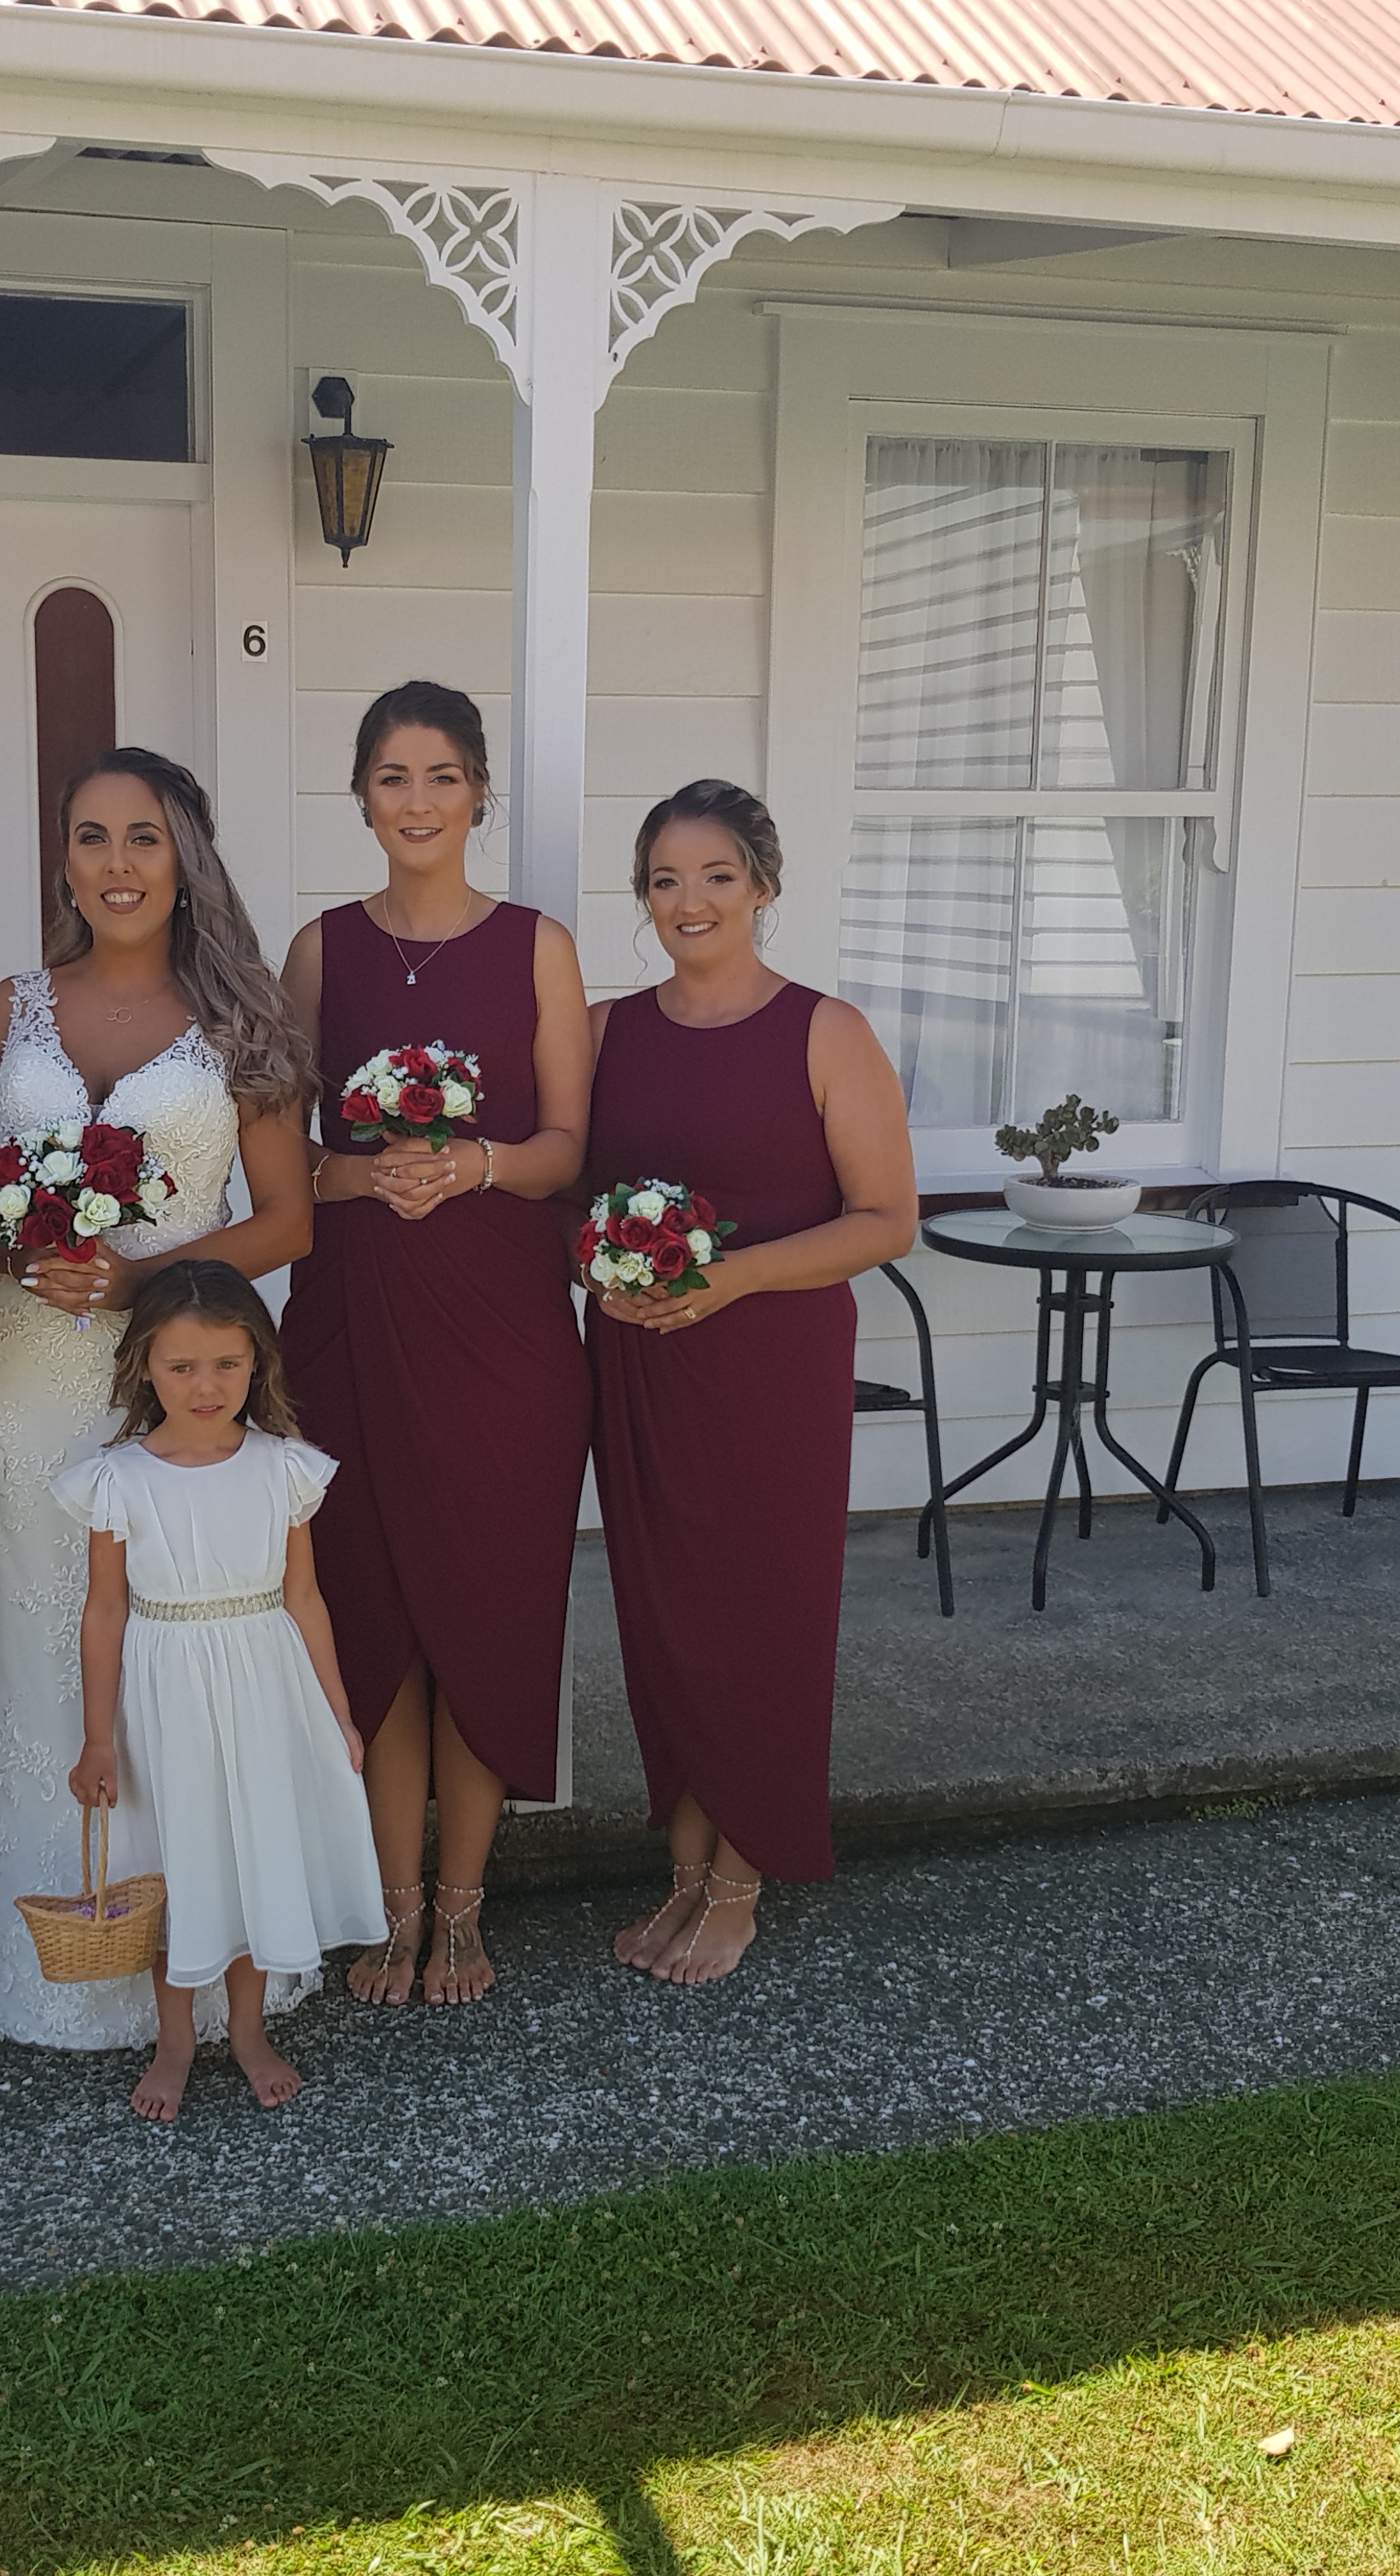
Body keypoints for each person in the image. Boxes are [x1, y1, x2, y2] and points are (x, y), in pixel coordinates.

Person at [0, 748, 316, 2049]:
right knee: (35, 1624)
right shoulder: (13, 1007)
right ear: (66, 863)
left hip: (171, 1387)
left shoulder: (240, 1024)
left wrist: (149, 1272)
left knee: (161, 1635)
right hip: (21, 1378)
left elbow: (289, 1222)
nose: (115, 864)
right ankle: (21, 1941)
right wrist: (3, 1247)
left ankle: (176, 1952)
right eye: (89, 839)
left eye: (141, 837)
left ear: (186, 855)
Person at [281, 681, 592, 2010]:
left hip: (502, 1337)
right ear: (362, 796)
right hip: (352, 1327)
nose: (418, 802)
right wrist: (363, 1181)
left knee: (486, 1614)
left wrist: (472, 1165)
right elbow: (283, 1161)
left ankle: (465, 1911)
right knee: (373, 1619)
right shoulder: (317, 952)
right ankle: (388, 1908)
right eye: (394, 778)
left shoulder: (538, 946)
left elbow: (568, 1152)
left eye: (443, 777)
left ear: (480, 796)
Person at [583, 780, 919, 1983]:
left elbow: (888, 1219)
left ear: (764, 887)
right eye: (666, 879)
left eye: (716, 875)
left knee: (758, 1620)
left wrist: (733, 1278)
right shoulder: (603, 1030)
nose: (690, 900)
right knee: (664, 1618)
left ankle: (741, 1879)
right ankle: (683, 1872)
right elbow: (565, 1190)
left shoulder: (826, 1032)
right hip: (641, 1361)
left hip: (770, 1364)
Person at [57, 1262, 384, 2122]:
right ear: (144, 1369)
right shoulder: (117, 1479)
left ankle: (246, 2031)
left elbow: (305, 1596)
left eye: (227, 1366)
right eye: (181, 1367)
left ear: (257, 1365)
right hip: (165, 1693)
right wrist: (98, 1738)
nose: (205, 1387)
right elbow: (103, 1612)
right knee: (179, 1866)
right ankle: (174, 2040)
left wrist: (338, 1715)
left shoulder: (285, 1469)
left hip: (265, 1681)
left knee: (249, 1860)